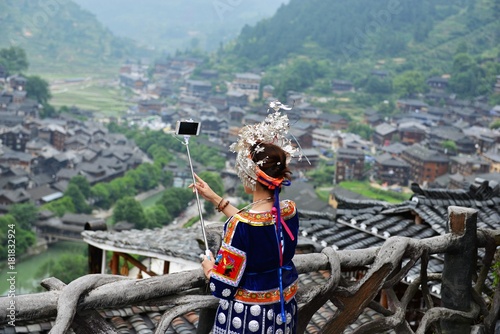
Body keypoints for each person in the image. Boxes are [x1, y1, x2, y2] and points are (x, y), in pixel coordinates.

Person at [190, 102, 300, 334]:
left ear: (250, 177)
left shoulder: (239, 225)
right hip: (282, 310)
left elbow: (224, 285)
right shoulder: (289, 210)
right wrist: (215, 198)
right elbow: (257, 225)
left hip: (249, 316)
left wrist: (209, 268)